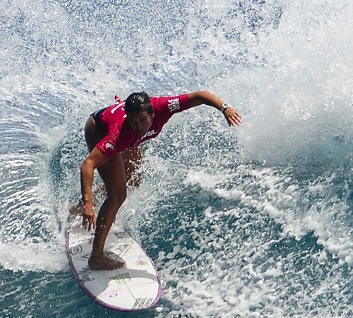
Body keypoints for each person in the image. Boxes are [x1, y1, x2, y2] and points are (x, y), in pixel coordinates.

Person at [78, 90, 241, 270]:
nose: (138, 126)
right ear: (128, 118)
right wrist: (88, 204)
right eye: (133, 121)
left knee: (133, 180)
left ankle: (89, 201)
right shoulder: (119, 134)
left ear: (152, 114)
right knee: (117, 196)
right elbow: (87, 165)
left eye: (142, 120)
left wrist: (224, 108)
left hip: (126, 134)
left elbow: (200, 96)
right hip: (98, 128)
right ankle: (96, 257)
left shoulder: (164, 107)